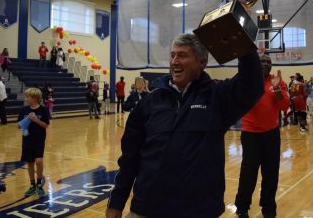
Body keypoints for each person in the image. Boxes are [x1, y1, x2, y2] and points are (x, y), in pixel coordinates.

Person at [106, 33, 264, 218]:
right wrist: (116, 202)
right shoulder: (149, 103)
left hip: (198, 211)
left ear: (201, 62)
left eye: (182, 55)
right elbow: (129, 159)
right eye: (172, 55)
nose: (174, 61)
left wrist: (237, 34)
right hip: (146, 209)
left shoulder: (217, 98)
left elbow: (251, 85)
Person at [235, 54, 289, 218]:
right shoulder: (247, 80)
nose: (266, 64)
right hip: (251, 134)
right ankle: (242, 208)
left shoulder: (278, 83)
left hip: (271, 134)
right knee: (248, 174)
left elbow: (284, 106)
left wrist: (277, 89)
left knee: (271, 173)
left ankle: (268, 208)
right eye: (262, 62)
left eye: (269, 62)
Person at [18, 88, 50, 197]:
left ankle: (39, 184)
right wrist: (25, 122)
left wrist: (36, 120)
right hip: (27, 140)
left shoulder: (43, 110)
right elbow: (19, 125)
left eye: (28, 97)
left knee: (39, 161)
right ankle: (32, 185)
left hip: (39, 139)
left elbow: (46, 125)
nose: (26, 98)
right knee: (30, 162)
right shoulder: (24, 110)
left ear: (35, 98)